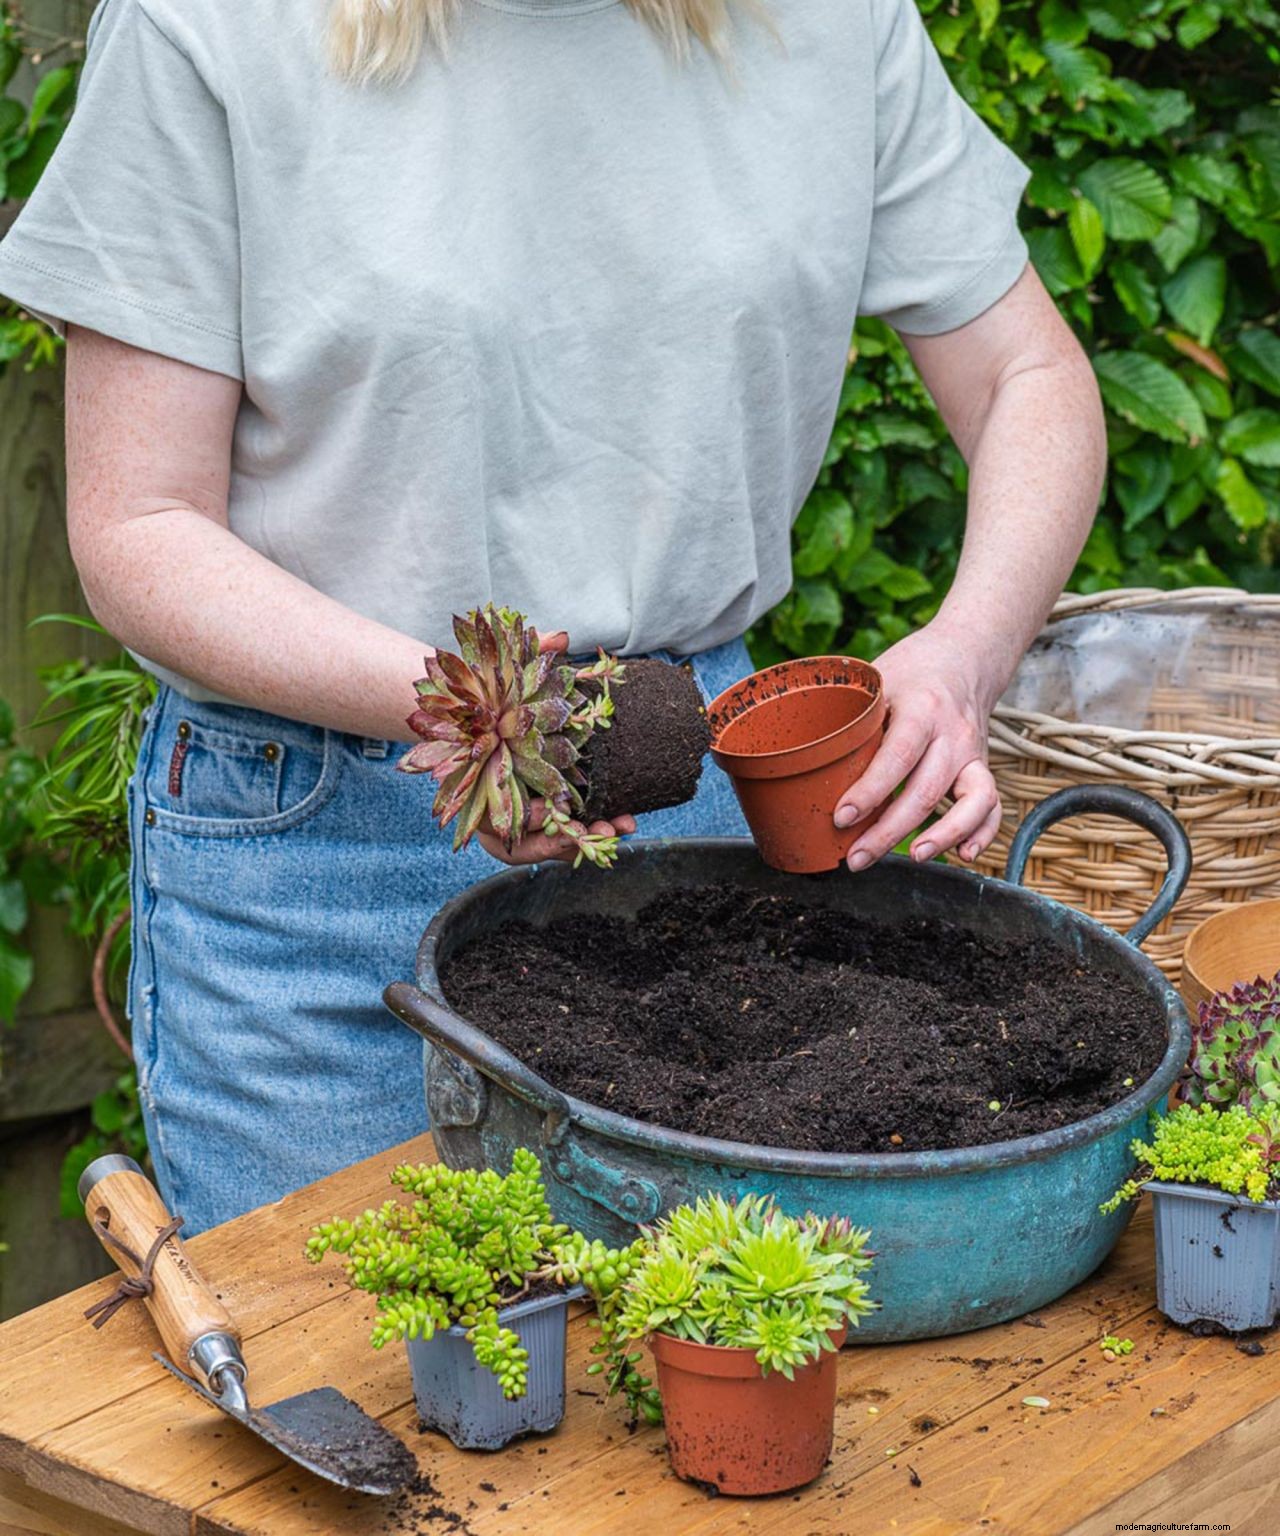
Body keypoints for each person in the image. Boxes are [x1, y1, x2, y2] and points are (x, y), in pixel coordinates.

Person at [0, 0, 1104, 1232]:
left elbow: (1025, 374)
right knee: (339, 1338)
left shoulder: (826, 22)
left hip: (689, 807)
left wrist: (963, 654)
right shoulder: (210, 27)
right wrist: (481, 716)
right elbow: (139, 526)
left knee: (702, 1336)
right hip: (324, 853)